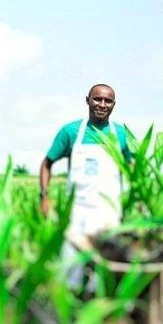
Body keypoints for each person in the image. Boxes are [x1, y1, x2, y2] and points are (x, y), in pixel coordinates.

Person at [39, 84, 131, 265]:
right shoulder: (71, 132)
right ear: (87, 100)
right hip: (77, 212)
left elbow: (132, 167)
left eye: (108, 101)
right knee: (71, 267)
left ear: (114, 104)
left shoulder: (121, 133)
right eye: (97, 99)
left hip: (110, 213)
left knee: (106, 268)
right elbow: (47, 163)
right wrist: (44, 196)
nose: (102, 104)